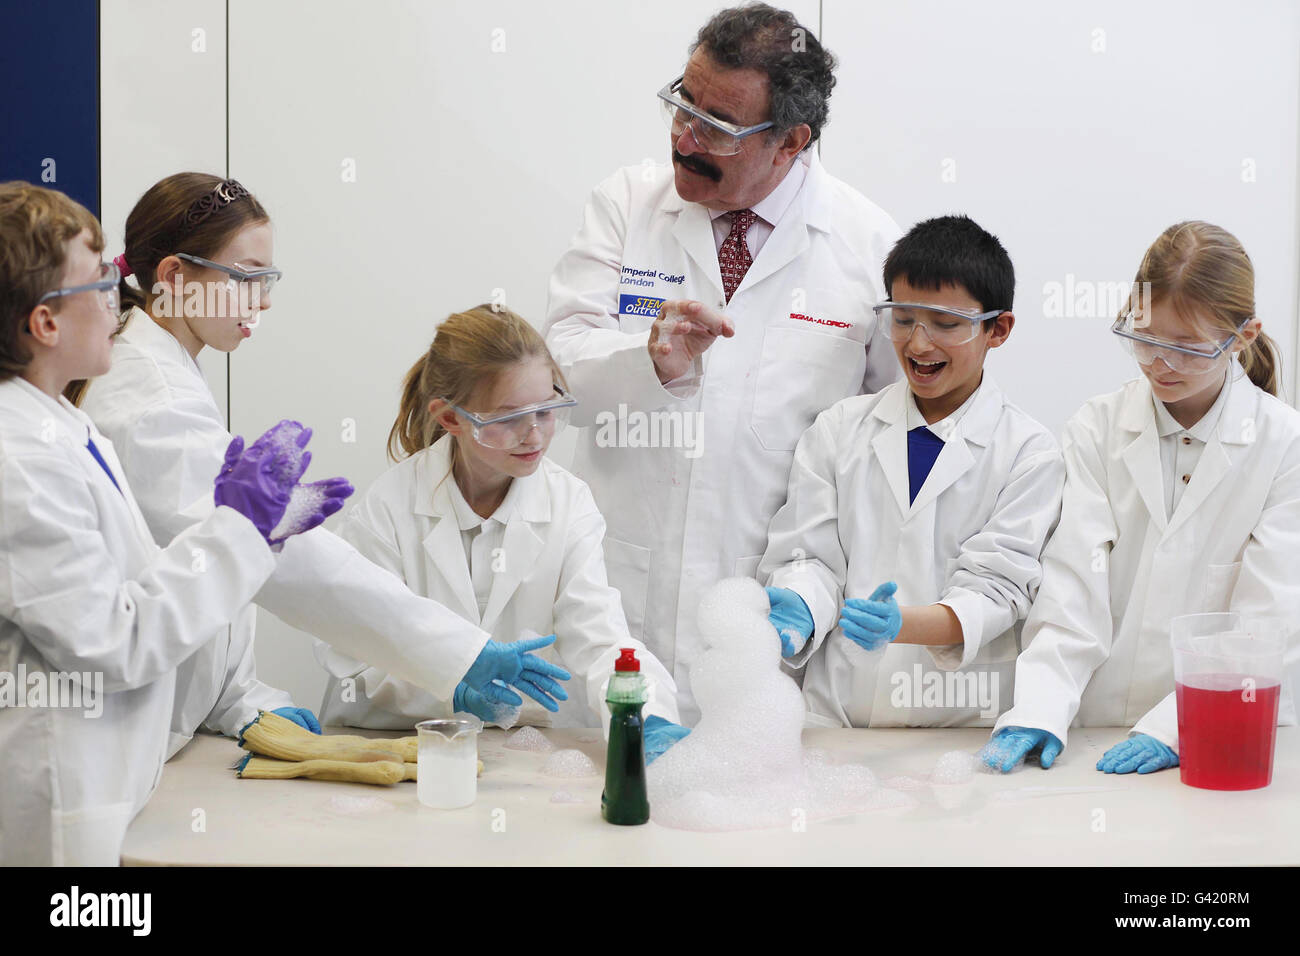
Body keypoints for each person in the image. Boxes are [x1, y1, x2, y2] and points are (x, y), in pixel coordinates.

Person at [79, 173, 568, 758]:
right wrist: (459, 653)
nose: (261, 301)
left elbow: (207, 565)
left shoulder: (166, 367)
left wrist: (242, 697)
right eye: (246, 278)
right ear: (176, 277)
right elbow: (271, 565)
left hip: (179, 724)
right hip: (134, 734)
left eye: (268, 280)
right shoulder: (149, 398)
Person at [545, 3, 901, 722]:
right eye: (683, 101)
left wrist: (810, 596)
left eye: (718, 126)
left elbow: (879, 458)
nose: (685, 135)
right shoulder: (625, 205)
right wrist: (651, 363)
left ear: (790, 142)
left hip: (765, 631)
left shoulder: (869, 250)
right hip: (618, 610)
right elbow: (559, 381)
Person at [0, 182, 338, 864]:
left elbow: (147, 579)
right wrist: (241, 527)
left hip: (115, 769)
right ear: (45, 324)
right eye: (101, 286)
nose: (120, 302)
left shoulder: (58, 423)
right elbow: (113, 642)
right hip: (57, 785)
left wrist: (236, 698)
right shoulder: (21, 454)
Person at [984, 221, 1300, 774]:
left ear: (1243, 338)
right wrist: (1038, 705)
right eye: (1146, 339)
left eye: (1188, 349)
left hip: (1224, 729)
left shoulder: (1283, 446)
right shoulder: (1097, 428)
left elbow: (1266, 619)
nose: (1161, 364)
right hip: (1096, 728)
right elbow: (1072, 587)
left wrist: (1179, 726)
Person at [318, 306, 688, 760]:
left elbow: (599, 636)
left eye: (546, 411)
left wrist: (645, 716)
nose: (533, 435)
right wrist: (449, 693)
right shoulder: (389, 508)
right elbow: (352, 662)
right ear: (451, 419)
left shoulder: (568, 503)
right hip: (406, 749)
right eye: (509, 418)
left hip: (520, 754)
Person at [759, 215, 1065, 727]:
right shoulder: (839, 429)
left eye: (946, 324)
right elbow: (810, 557)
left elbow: (997, 588)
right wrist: (799, 605)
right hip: (837, 719)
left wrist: (903, 625)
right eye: (902, 319)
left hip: (952, 729)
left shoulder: (1028, 452)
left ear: (998, 328)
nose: (918, 344)